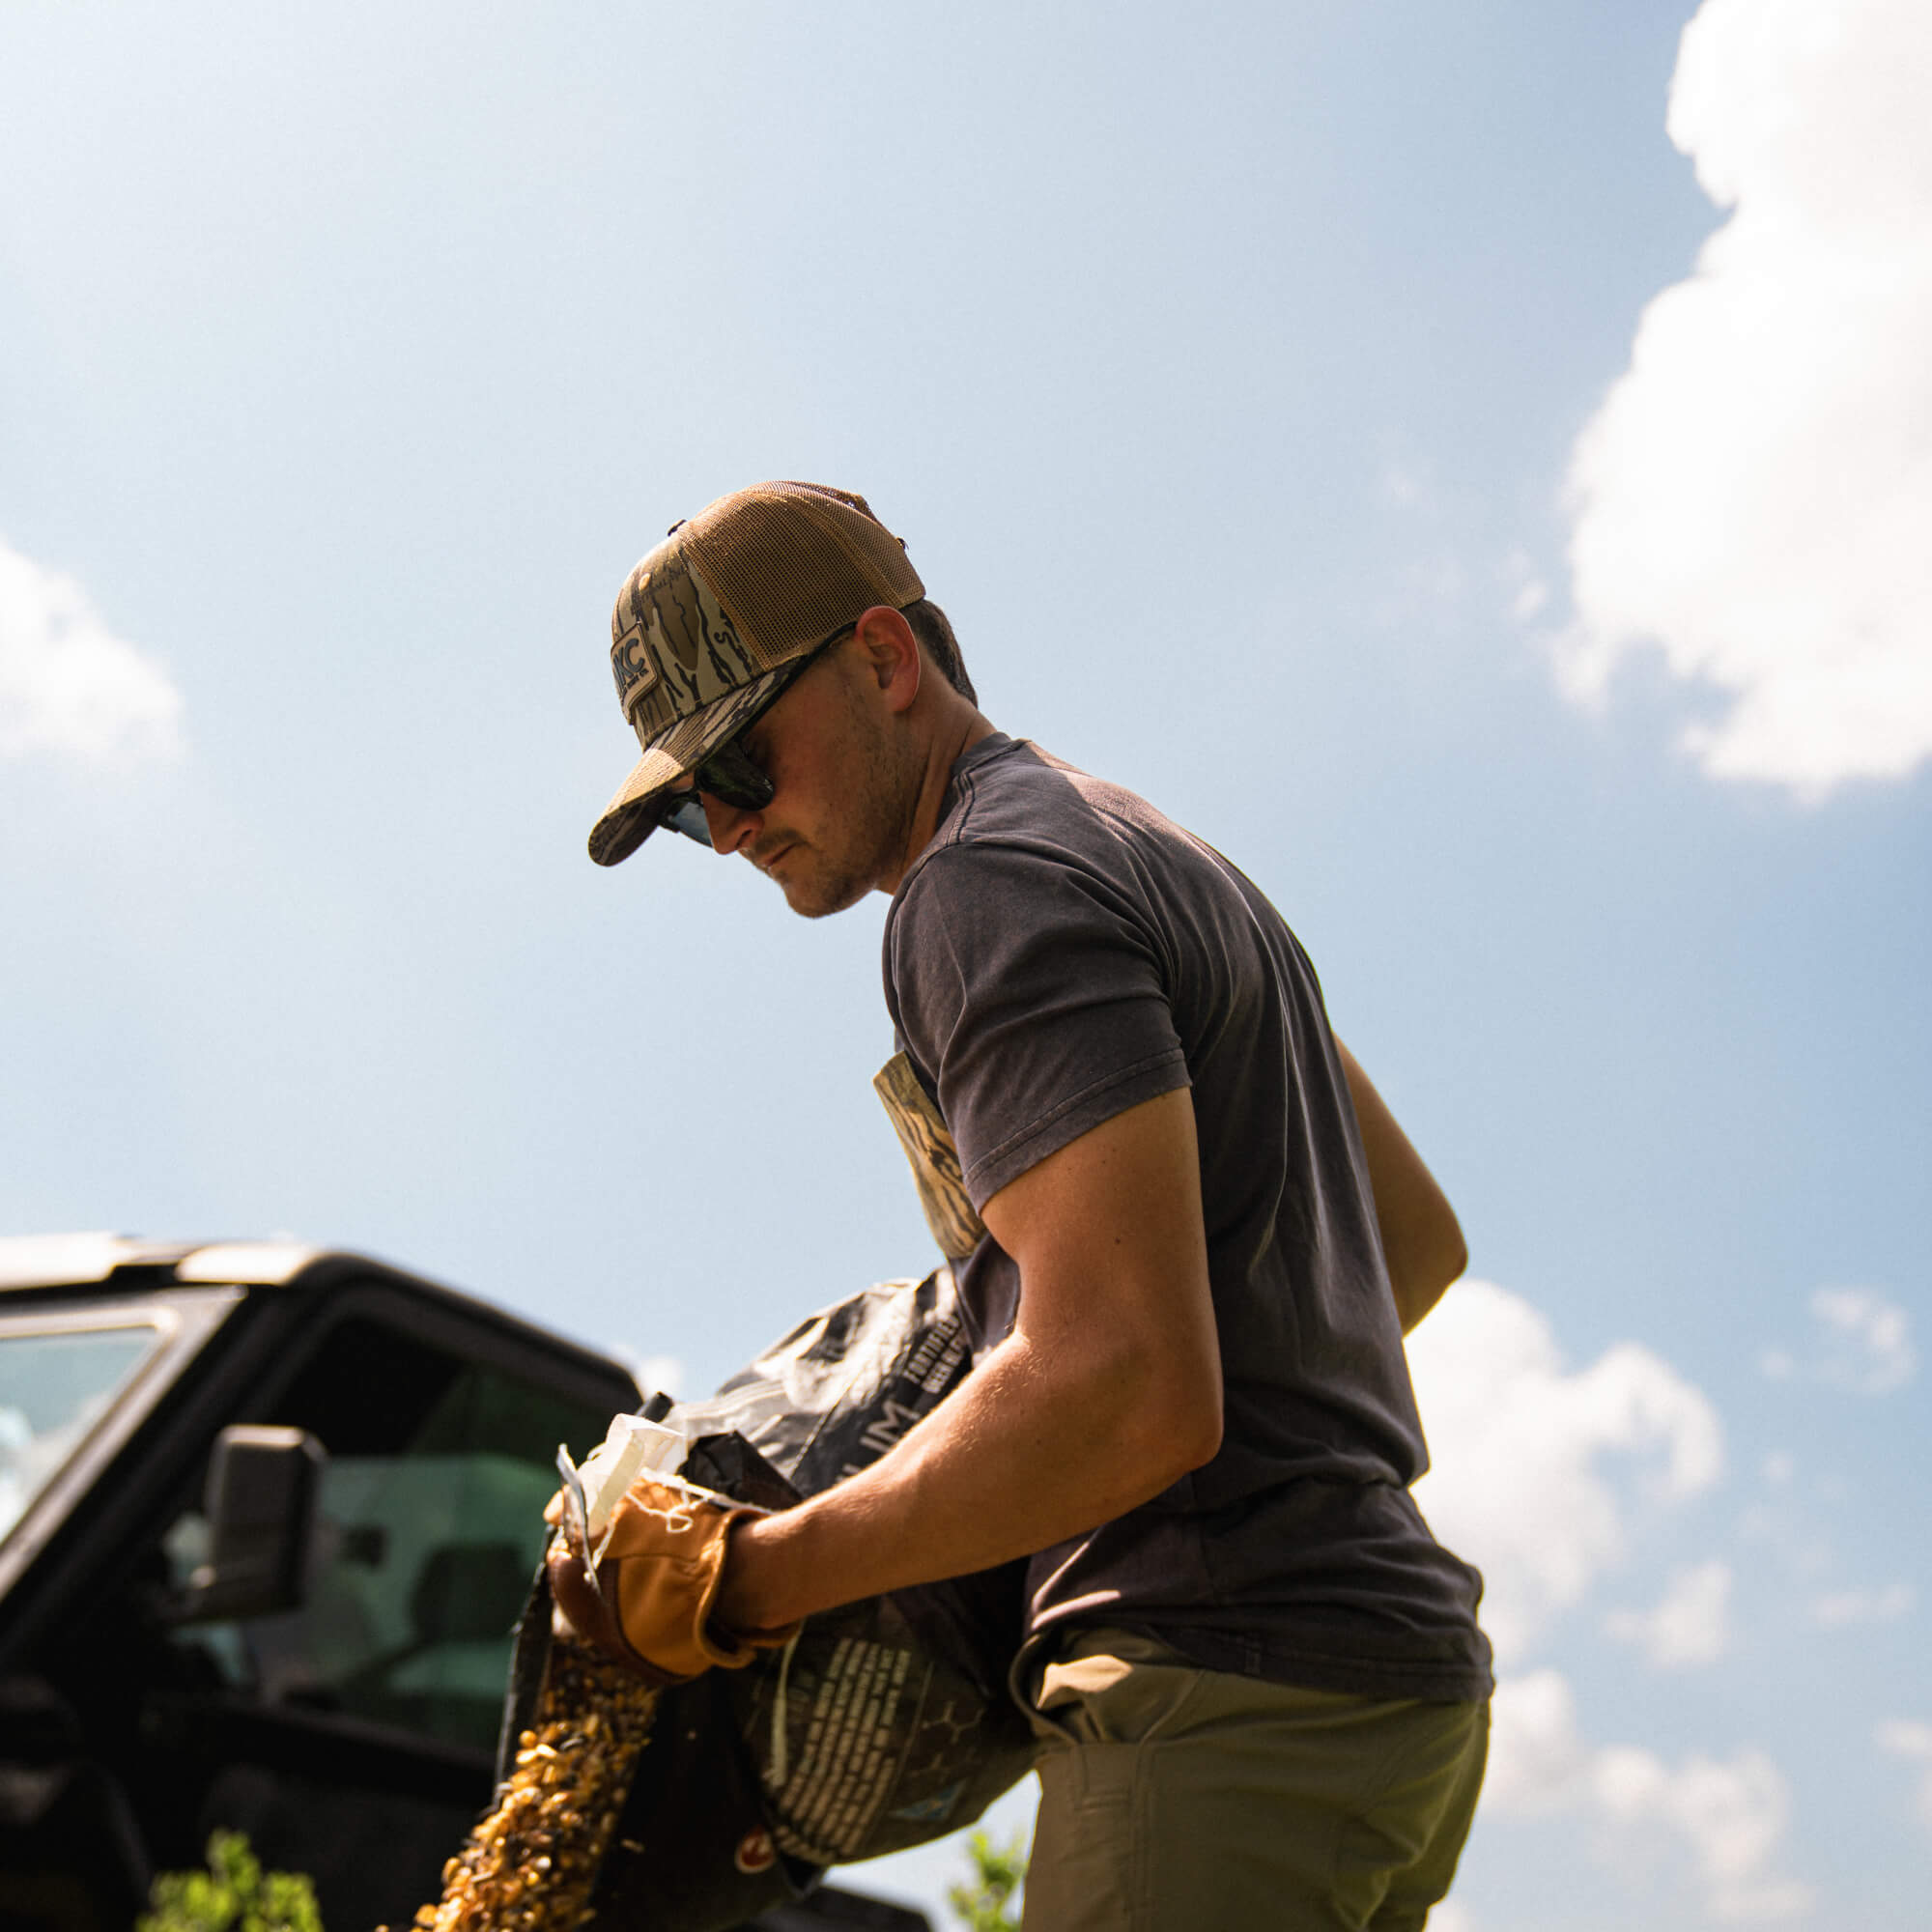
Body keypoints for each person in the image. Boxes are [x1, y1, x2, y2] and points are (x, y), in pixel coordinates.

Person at [557, 480, 1492, 1930]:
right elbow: (1410, 1248)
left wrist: (745, 1579)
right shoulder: (1156, 854)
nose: (732, 825)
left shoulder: (978, 887)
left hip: (1220, 1693)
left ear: (886, 659)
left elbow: (1125, 1382)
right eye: (692, 809)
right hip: (1384, 1704)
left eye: (741, 758)